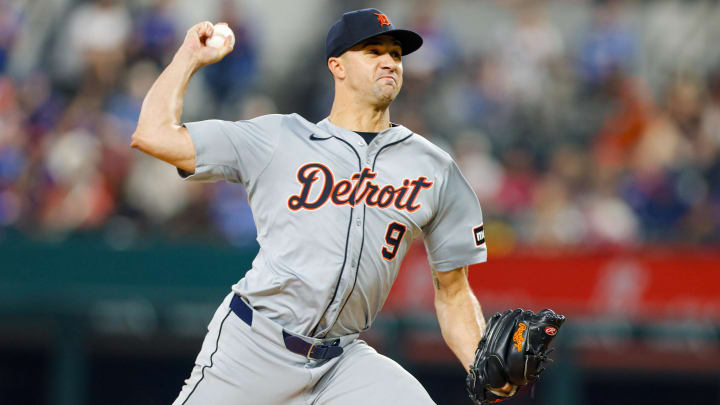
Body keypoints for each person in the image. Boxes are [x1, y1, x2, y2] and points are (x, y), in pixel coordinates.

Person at [131, 8, 513, 404]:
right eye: (373, 51)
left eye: (396, 54)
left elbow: (453, 293)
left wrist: (482, 366)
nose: (389, 61)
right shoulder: (279, 137)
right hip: (254, 347)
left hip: (341, 361)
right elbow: (153, 134)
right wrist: (188, 57)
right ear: (337, 66)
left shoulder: (434, 167)